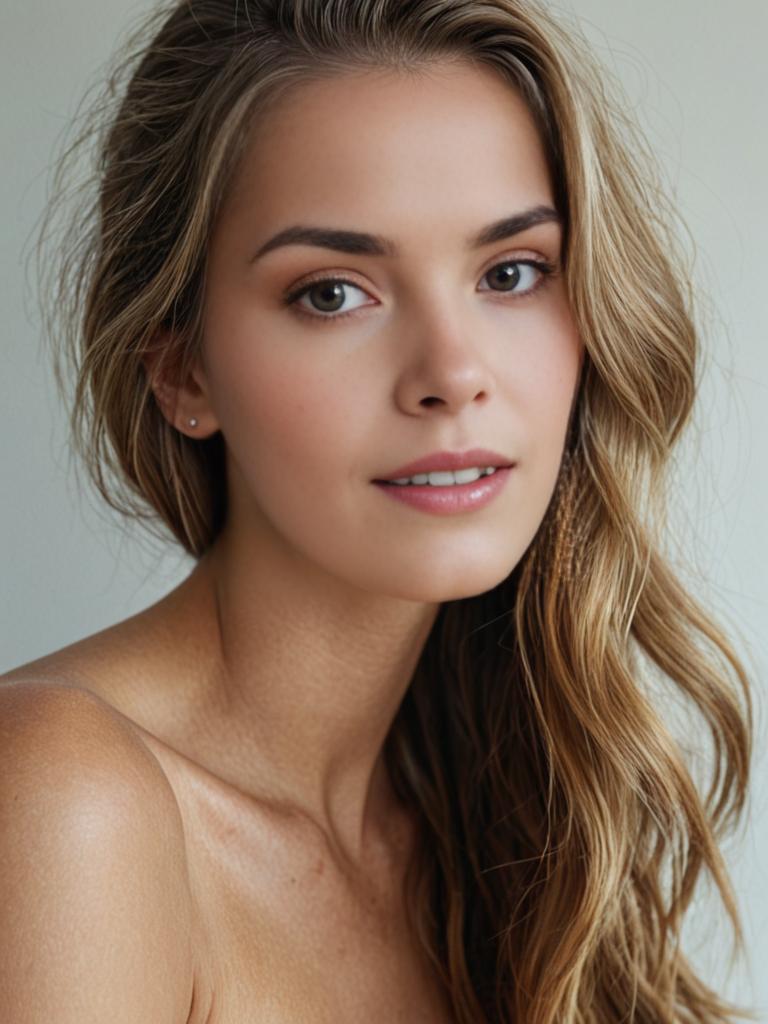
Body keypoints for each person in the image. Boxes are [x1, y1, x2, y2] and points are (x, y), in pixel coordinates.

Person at [0, 0, 755, 1021]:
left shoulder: (503, 815)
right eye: (332, 293)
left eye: (512, 272)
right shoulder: (63, 800)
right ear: (182, 371)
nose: (452, 373)